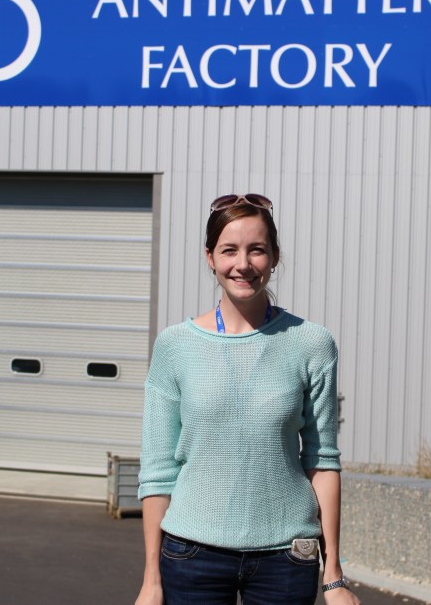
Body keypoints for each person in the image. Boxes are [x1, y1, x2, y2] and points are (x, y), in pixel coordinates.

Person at [135, 193, 360, 605]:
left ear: (274, 257)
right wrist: (152, 581)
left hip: (286, 557)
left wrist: (334, 576)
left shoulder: (312, 344)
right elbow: (157, 470)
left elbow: (322, 460)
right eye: (229, 250)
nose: (243, 264)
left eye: (257, 249)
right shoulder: (174, 346)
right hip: (191, 554)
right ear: (209, 257)